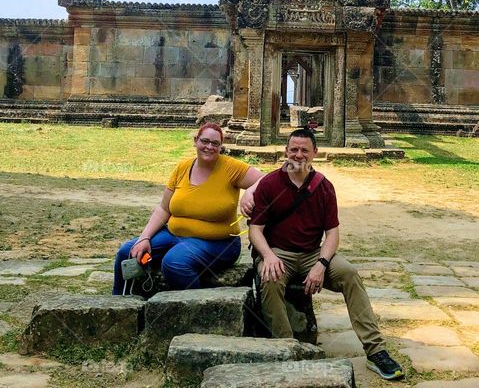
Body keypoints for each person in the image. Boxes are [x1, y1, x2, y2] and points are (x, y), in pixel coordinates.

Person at [248, 128, 405, 381]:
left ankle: (376, 350)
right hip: (279, 252)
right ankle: (287, 349)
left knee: (349, 274)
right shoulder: (270, 183)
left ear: (315, 154)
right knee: (270, 278)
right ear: (285, 151)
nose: (298, 155)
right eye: (293, 150)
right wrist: (267, 255)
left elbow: (332, 234)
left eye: (304, 150)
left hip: (312, 253)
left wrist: (321, 264)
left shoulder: (323, 186)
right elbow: (255, 229)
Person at [113, 123, 262, 294]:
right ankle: (123, 306)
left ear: (221, 146)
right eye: (204, 141)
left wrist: (250, 191)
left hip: (219, 243)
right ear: (195, 141)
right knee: (127, 252)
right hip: (173, 235)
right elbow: (163, 209)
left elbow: (267, 180)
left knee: (174, 262)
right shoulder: (182, 168)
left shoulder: (231, 168)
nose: (209, 147)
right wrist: (144, 238)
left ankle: (196, 313)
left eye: (215, 143)